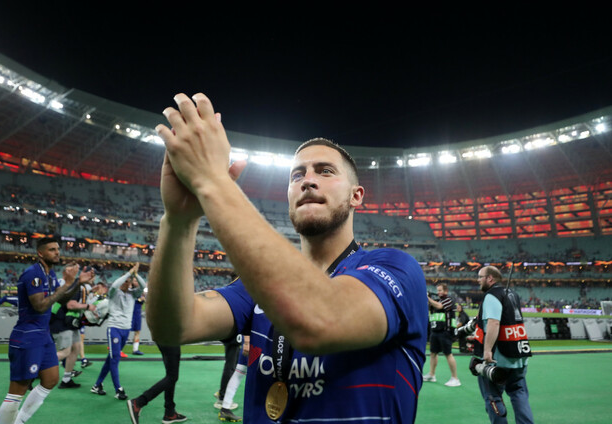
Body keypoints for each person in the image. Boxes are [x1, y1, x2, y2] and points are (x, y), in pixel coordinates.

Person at [145, 93, 429, 423]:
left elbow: (320, 318)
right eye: (297, 175)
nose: (308, 180)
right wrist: (177, 221)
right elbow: (172, 326)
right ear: (289, 196)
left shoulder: (396, 268)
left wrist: (211, 182)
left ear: (356, 196)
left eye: (325, 171)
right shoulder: (257, 288)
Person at [0, 237, 93, 424]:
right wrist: (67, 284)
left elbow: (61, 299)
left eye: (57, 249)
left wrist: (78, 283)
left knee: (50, 379)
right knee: (17, 391)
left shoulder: (49, 274)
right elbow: (40, 306)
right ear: (40, 253)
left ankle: (19, 421)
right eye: (52, 249)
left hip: (43, 335)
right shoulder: (33, 274)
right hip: (28, 336)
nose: (57, 252)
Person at [473, 266, 534, 423]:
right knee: (519, 394)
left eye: (480, 277)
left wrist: (487, 351)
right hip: (519, 354)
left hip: (499, 358)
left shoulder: (491, 296)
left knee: (493, 397)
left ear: (490, 278)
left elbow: (494, 323)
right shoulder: (514, 294)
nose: (478, 280)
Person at [91, 263, 146, 400]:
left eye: (128, 282)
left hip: (126, 330)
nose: (125, 283)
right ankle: (118, 389)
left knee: (111, 359)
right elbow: (115, 284)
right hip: (114, 328)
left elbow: (143, 286)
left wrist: (135, 274)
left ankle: (97, 385)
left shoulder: (133, 294)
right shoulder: (114, 293)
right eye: (124, 281)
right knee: (115, 358)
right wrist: (128, 274)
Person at [50, 264, 98, 389]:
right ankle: (35, 369)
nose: (93, 278)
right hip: (62, 322)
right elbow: (71, 305)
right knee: (65, 352)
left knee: (76, 348)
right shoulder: (72, 285)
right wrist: (88, 307)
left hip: (71, 322)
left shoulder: (78, 285)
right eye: (91, 275)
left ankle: (66, 380)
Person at [126, 343, 187, 424]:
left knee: (170, 375)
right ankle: (139, 402)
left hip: (164, 339)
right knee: (172, 377)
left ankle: (170, 412)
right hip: (170, 339)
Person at [423, 282, 461, 386]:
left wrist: (427, 297)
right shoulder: (437, 300)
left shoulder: (448, 300)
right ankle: (431, 375)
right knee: (433, 353)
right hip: (435, 331)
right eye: (438, 290)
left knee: (448, 354)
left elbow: (439, 306)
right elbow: (429, 306)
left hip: (445, 332)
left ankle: (455, 378)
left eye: (440, 290)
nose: (438, 292)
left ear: (446, 291)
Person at [218, 335, 250, 422]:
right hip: (253, 340)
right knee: (235, 369)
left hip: (248, 340)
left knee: (238, 371)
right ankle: (223, 398)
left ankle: (225, 406)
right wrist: (247, 342)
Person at [213, 336, 241, 411]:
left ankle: (222, 393)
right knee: (231, 367)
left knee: (235, 364)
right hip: (234, 338)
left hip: (234, 338)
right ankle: (222, 398)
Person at [130, 291, 146, 355]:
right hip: (129, 314)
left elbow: (143, 302)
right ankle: (118, 349)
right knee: (125, 332)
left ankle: (135, 350)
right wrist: (140, 299)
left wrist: (143, 299)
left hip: (137, 315)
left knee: (137, 331)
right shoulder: (131, 292)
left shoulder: (141, 294)